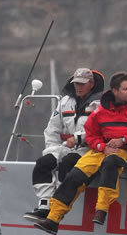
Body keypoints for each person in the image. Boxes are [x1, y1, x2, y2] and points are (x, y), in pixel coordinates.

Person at [25, 72, 127, 235]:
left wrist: (123, 140)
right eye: (125, 89)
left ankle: (101, 209)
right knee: (75, 175)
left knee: (110, 162)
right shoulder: (101, 111)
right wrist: (101, 145)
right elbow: (91, 133)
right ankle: (53, 219)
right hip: (101, 149)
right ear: (115, 91)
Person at [24, 68, 104, 220]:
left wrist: (78, 138)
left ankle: (57, 208)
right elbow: (52, 129)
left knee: (68, 163)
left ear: (91, 84)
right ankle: (44, 206)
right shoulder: (64, 102)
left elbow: (100, 130)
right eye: (76, 83)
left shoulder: (101, 104)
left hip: (90, 149)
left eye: (82, 83)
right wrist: (52, 151)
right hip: (66, 147)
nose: (78, 87)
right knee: (43, 163)